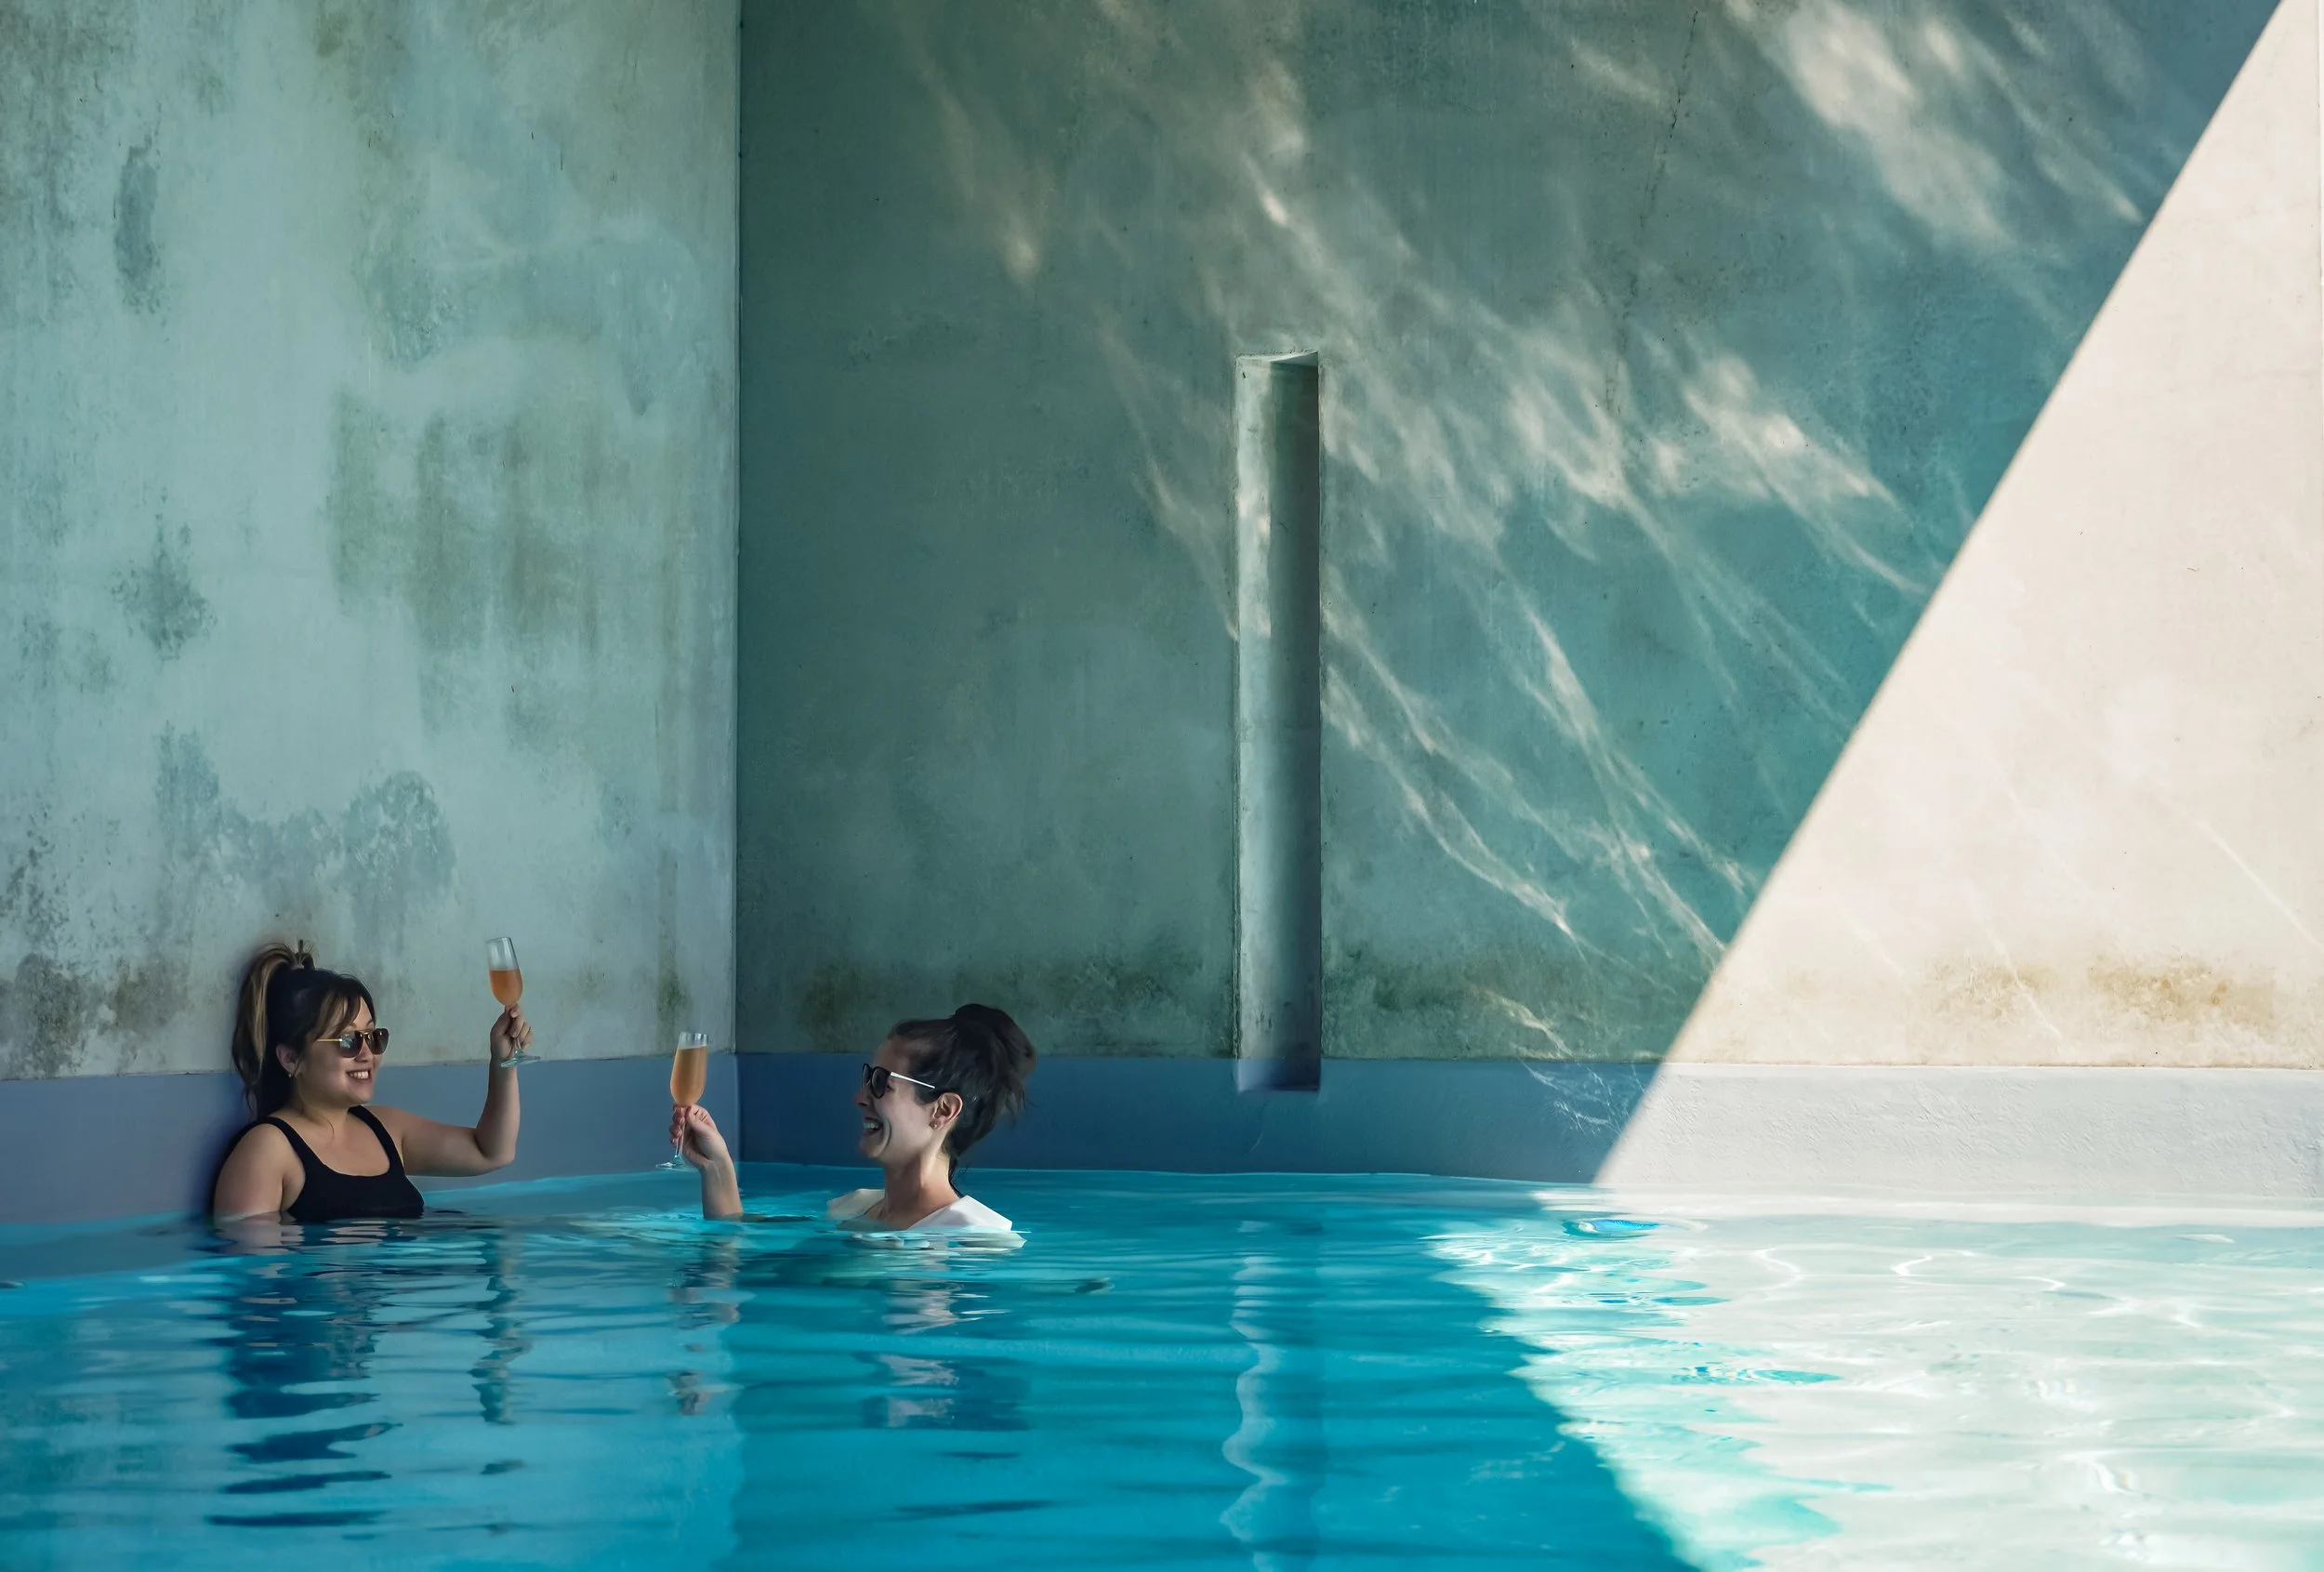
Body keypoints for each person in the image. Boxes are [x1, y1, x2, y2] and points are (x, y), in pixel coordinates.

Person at [211, 941, 527, 1223]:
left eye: (373, 1037)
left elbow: (492, 1152)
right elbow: (250, 1275)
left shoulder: (387, 1129)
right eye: (348, 1040)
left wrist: (504, 1061)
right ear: (292, 1059)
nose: (367, 1054)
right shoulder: (268, 1150)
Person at [672, 1004, 1034, 1231]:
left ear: (942, 1110)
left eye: (880, 1083)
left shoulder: (973, 1236)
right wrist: (716, 1166)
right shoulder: (855, 1207)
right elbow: (738, 1241)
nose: (859, 1097)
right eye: (866, 1078)